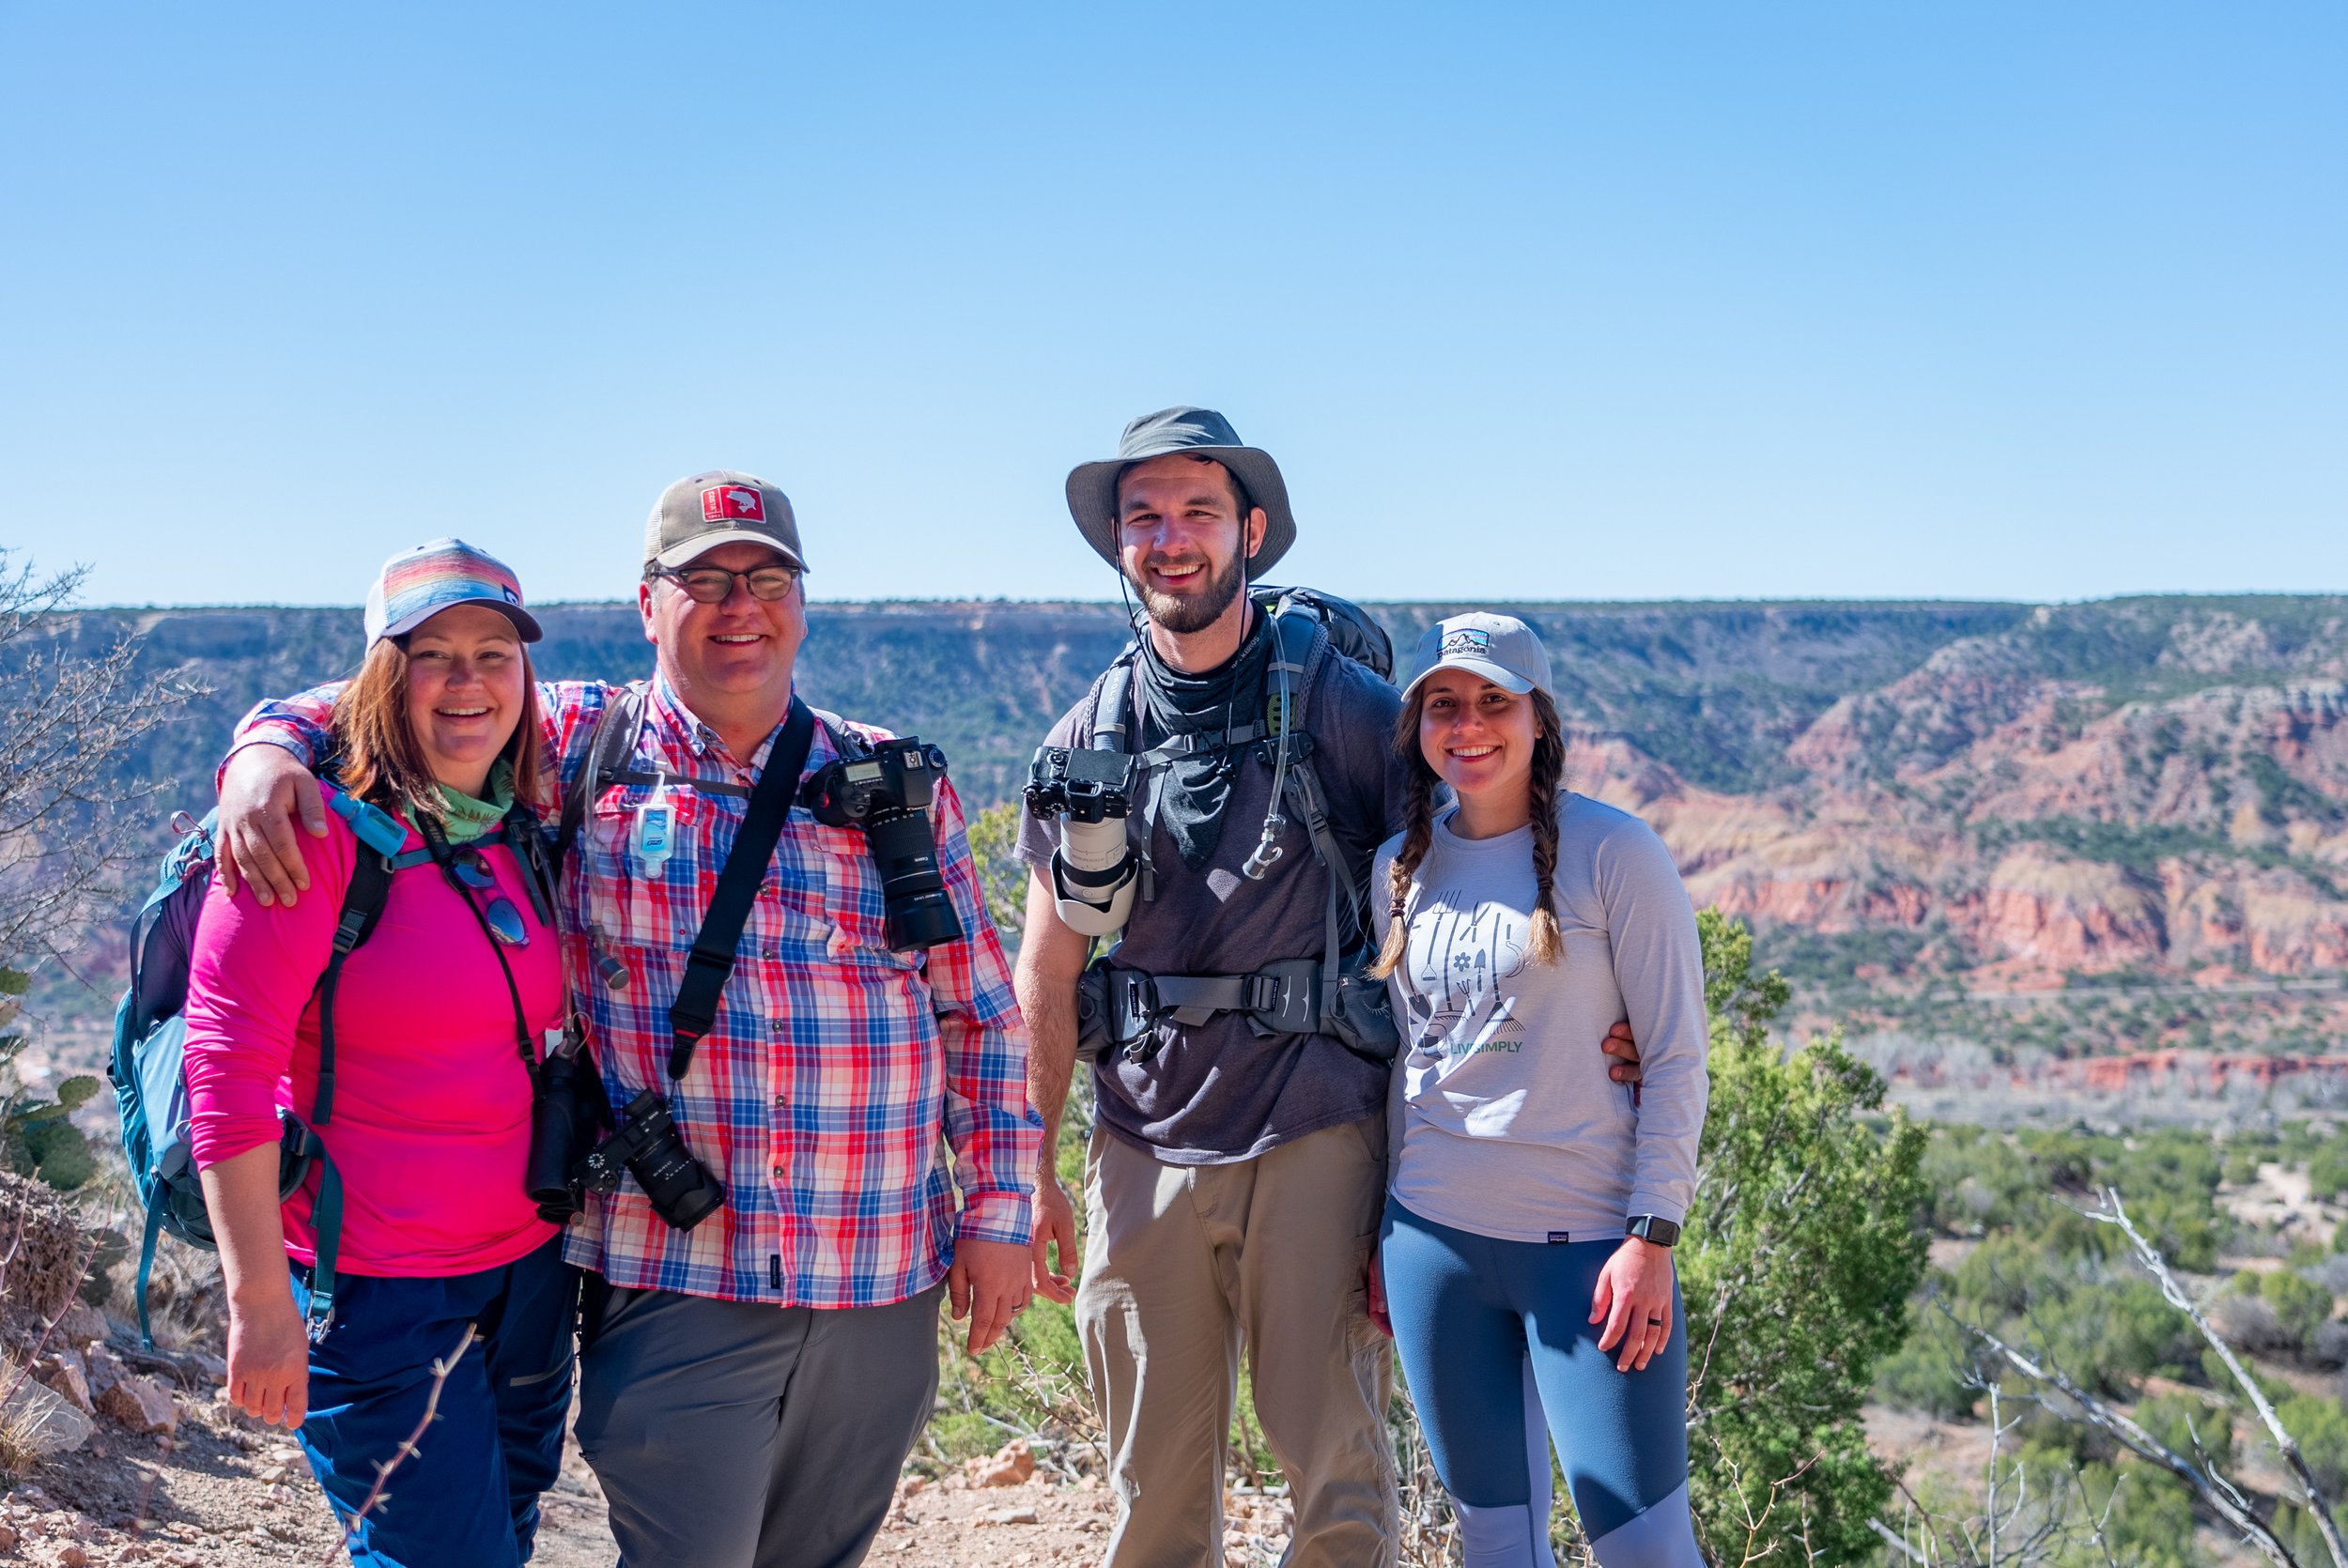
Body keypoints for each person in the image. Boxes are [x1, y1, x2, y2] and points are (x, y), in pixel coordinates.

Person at [212, 472, 1041, 1568]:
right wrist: (264, 746)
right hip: (679, 1269)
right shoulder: (577, 752)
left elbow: (978, 1014)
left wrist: (999, 1207)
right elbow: (406, 694)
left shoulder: (890, 779)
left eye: (765, 577)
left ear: (803, 599)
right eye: (704, 578)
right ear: (648, 603)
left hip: (879, 1264)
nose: (738, 604)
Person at [1014, 409, 1647, 1568]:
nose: (1172, 539)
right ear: (1117, 544)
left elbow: (1485, 857)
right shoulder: (1085, 734)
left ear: (1249, 530)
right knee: (1150, 1495)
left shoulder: (1342, 711)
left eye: (1198, 511)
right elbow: (1047, 967)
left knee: (1336, 1490)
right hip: (1139, 1147)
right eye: (1144, 517)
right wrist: (1028, 1169)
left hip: (1316, 1133)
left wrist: (1604, 1021)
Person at [184, 539, 576, 1567]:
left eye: (493, 652)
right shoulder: (303, 836)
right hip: (373, 1292)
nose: (466, 680)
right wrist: (258, 1300)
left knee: (505, 1536)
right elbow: (224, 1071)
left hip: (526, 1273)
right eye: (430, 653)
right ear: (382, 677)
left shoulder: (521, 818)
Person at [1367, 613, 1709, 1568]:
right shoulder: (1395, 867)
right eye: (1445, 704)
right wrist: (1383, 1236)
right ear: (1419, 726)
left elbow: (1677, 1054)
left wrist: (1653, 1233)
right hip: (1431, 1241)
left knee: (1644, 1547)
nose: (1468, 724)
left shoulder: (1616, 853)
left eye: (1493, 701)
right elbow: (1410, 1060)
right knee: (1493, 1543)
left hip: (1592, 1253)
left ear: (1538, 719)